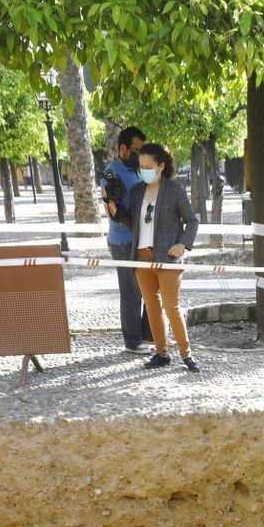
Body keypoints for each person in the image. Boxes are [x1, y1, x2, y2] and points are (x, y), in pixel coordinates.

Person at [117, 142, 201, 372]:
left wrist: (182, 244)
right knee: (152, 309)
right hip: (141, 258)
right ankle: (162, 353)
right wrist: (117, 212)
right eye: (142, 166)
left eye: (149, 166)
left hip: (168, 258)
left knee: (172, 307)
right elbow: (136, 226)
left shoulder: (174, 190)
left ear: (161, 166)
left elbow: (192, 221)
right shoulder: (137, 191)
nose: (144, 170)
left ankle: (186, 354)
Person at [103, 127, 150, 353]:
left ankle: (148, 334)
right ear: (123, 148)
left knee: (149, 287)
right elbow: (114, 212)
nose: (139, 155)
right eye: (136, 150)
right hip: (123, 240)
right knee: (131, 292)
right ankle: (133, 341)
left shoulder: (137, 169)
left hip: (142, 238)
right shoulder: (111, 174)